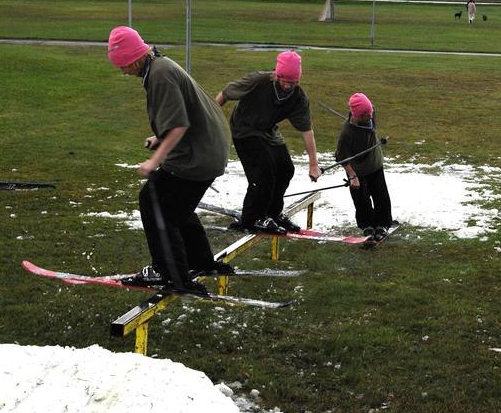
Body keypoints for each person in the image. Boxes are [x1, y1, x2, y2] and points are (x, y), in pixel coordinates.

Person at [107, 26, 230, 294]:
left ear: (134, 57)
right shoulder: (160, 66)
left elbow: (179, 126)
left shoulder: (160, 75)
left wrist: (154, 162)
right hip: (207, 151)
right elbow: (179, 115)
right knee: (177, 208)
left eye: (122, 64)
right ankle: (200, 261)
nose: (122, 70)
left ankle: (168, 273)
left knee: (153, 202)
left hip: (197, 156)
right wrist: (159, 138)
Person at [215, 51, 321, 234]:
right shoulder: (258, 80)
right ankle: (253, 217)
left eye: (292, 82)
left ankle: (273, 213)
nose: (287, 85)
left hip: (268, 131)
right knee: (264, 173)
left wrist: (313, 164)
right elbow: (225, 94)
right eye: (284, 80)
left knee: (286, 169)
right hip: (244, 129)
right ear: (277, 74)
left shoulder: (298, 97)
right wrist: (210, 119)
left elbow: (307, 130)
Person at [336, 92, 392, 241]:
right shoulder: (347, 132)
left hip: (375, 165)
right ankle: (367, 225)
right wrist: (352, 176)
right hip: (357, 170)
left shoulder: (370, 113)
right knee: (361, 199)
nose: (371, 116)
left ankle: (382, 224)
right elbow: (341, 157)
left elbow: (368, 108)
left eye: (371, 112)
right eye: (367, 114)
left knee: (381, 195)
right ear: (358, 116)